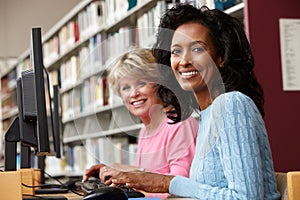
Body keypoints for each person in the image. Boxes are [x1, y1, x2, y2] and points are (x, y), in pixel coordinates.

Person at [97, 4, 281, 200]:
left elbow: (247, 198)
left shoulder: (231, 104)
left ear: (220, 57)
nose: (183, 61)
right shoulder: (208, 114)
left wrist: (167, 183)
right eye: (176, 51)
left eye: (197, 48)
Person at [83, 48, 198, 196]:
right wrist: (119, 172)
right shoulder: (145, 130)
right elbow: (153, 177)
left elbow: (179, 185)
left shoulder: (178, 123)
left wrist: (129, 173)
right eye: (125, 88)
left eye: (141, 83)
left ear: (159, 84)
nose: (134, 94)